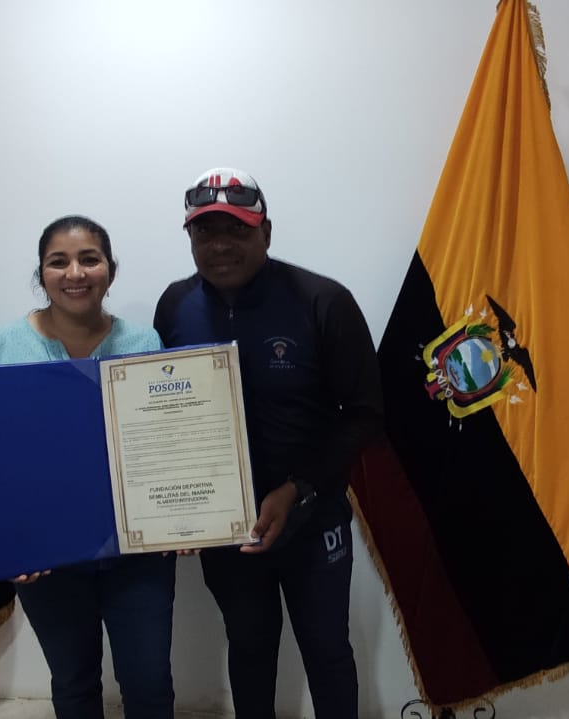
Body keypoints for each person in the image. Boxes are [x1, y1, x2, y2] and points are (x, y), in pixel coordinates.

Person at [152, 168, 384, 719]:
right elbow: (162, 414)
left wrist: (299, 488)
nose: (220, 244)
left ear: (267, 232)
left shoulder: (323, 300)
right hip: (227, 529)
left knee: (327, 650)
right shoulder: (175, 306)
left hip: (313, 518)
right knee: (250, 648)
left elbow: (366, 415)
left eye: (237, 228)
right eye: (204, 231)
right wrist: (171, 506)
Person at [0, 215, 175, 719]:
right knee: (74, 681)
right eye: (58, 262)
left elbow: (163, 443)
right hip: (46, 553)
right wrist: (5, 543)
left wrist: (184, 515)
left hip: (136, 552)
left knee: (149, 684)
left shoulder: (143, 343)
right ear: (41, 274)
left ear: (110, 270)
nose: (75, 273)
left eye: (89, 259)